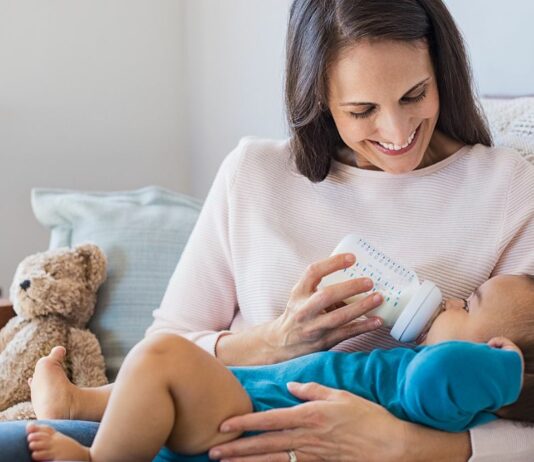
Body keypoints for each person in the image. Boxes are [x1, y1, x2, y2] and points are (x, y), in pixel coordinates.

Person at [19, 0, 534, 461]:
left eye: (414, 94)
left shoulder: (508, 188)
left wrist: (402, 447)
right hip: (208, 427)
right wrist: (275, 340)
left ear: (441, 72)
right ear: (319, 98)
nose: (397, 132)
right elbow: (167, 345)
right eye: (363, 110)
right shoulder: (254, 173)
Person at [24, 274, 534, 461]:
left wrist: (504, 369)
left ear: (490, 349)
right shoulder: (416, 366)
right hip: (251, 393)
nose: (452, 301)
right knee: (166, 372)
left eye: (469, 304)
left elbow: (442, 377)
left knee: (165, 359)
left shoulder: (435, 382)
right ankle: (80, 404)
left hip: (254, 419)